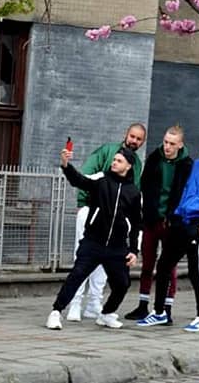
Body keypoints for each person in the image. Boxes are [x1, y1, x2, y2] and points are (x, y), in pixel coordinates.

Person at [137, 136, 199, 332]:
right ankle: (160, 312)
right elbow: (185, 188)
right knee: (163, 265)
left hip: (198, 224)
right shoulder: (197, 164)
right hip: (180, 220)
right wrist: (176, 212)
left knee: (195, 269)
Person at [46, 145, 142, 330]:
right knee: (77, 275)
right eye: (114, 160)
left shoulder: (134, 193)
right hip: (93, 242)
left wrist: (133, 251)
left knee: (122, 283)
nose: (114, 162)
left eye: (119, 161)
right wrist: (66, 165)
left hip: (116, 247)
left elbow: (137, 224)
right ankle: (56, 312)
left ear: (128, 166)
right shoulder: (101, 180)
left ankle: (106, 314)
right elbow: (79, 181)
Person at [67, 123, 146, 321]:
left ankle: (94, 303)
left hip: (115, 220)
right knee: (83, 259)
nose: (134, 141)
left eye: (138, 139)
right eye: (132, 136)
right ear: (125, 135)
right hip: (93, 213)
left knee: (105, 262)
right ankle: (75, 304)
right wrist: (84, 202)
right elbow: (87, 174)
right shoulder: (107, 150)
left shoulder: (136, 163)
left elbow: (131, 190)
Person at [124, 125, 193, 324]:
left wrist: (176, 216)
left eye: (172, 144)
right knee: (147, 262)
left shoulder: (187, 165)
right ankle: (143, 304)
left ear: (180, 145)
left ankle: (165, 308)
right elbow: (145, 184)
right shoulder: (155, 158)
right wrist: (147, 212)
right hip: (151, 219)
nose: (168, 147)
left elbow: (185, 192)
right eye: (165, 142)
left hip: (172, 221)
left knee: (168, 266)